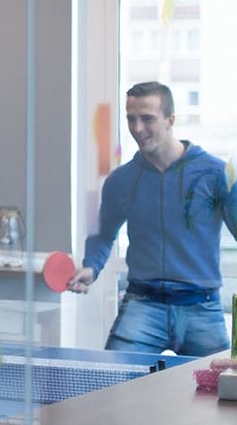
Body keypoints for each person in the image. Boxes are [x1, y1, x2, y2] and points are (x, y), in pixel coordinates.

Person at [69, 82, 237, 356]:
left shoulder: (217, 174)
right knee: (111, 387)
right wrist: (91, 267)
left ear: (171, 119)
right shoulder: (120, 181)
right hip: (143, 304)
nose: (137, 128)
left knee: (221, 392)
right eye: (130, 118)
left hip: (201, 308)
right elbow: (102, 235)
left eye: (147, 118)